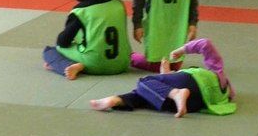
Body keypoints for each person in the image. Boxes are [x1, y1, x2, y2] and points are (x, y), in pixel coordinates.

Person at [90, 38, 236, 117]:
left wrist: (180, 51)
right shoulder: (220, 93)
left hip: (187, 87)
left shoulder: (215, 73)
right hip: (195, 104)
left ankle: (176, 94)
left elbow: (205, 44)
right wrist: (167, 75)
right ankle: (117, 101)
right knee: (150, 95)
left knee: (144, 82)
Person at [42, 0, 130, 79]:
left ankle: (67, 66)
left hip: (94, 64)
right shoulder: (119, 5)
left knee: (49, 51)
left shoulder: (80, 11)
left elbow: (63, 42)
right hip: (122, 63)